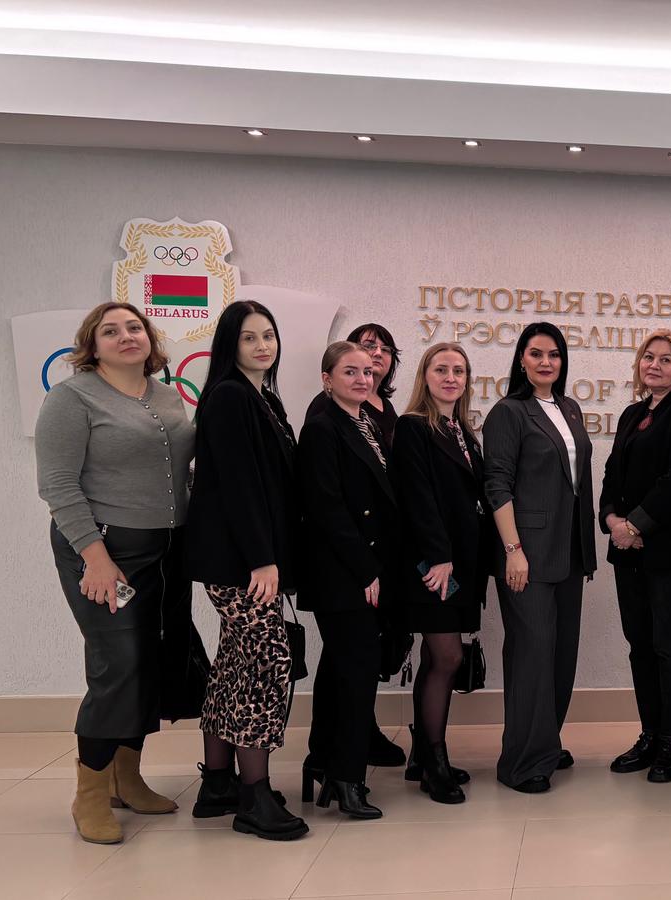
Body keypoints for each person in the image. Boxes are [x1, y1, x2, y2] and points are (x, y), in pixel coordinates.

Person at [35, 302, 192, 844]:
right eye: (110, 330)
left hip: (165, 552)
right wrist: (95, 557)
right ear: (92, 345)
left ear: (149, 338)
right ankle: (90, 793)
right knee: (119, 663)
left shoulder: (167, 396)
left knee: (151, 660)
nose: (126, 335)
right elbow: (58, 484)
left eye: (134, 327)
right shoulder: (71, 398)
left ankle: (128, 777)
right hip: (105, 551)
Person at [185, 300, 308, 840]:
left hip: (248, 559)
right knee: (266, 664)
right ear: (229, 345)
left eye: (269, 336)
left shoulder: (264, 398)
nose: (263, 346)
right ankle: (254, 796)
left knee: (235, 664)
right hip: (242, 562)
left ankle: (218, 783)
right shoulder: (230, 396)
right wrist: (263, 558)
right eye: (250, 337)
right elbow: (239, 485)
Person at [485, 323, 597, 794]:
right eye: (536, 354)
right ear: (521, 360)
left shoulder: (569, 408)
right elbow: (497, 484)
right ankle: (522, 762)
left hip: (569, 550)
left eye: (554, 354)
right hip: (526, 553)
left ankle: (546, 742)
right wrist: (513, 551)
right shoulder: (508, 412)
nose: (546, 362)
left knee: (561, 652)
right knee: (532, 651)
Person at [601, 330, 671, 783]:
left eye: (666, 359)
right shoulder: (632, 413)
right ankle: (649, 734)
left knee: (670, 646)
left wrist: (636, 526)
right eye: (649, 357)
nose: (655, 365)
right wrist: (612, 519)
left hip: (667, 552)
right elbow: (612, 473)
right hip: (627, 553)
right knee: (640, 646)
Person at [297, 341, 398, 820]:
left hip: (363, 568)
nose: (363, 379)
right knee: (358, 671)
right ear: (327, 379)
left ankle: (322, 760)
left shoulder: (366, 423)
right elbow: (327, 507)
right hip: (343, 573)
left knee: (340, 668)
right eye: (350, 372)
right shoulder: (322, 427)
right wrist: (366, 569)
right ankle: (348, 777)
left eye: (367, 372)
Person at [390, 342, 494, 804]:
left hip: (463, 563)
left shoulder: (463, 430)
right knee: (448, 658)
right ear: (425, 376)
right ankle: (435, 763)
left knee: (436, 658)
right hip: (434, 565)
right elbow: (417, 496)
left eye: (459, 370)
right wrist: (439, 556)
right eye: (441, 369)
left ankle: (422, 756)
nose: (451, 377)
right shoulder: (414, 426)